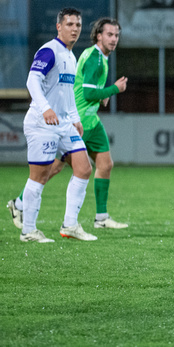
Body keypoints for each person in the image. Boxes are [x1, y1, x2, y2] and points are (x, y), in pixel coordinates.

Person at [8, 18, 129, 230]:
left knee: (105, 164)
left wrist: (104, 94)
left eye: (117, 35)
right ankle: (20, 205)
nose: (114, 39)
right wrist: (113, 89)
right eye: (109, 34)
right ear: (98, 36)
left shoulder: (99, 57)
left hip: (90, 119)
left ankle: (100, 217)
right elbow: (88, 92)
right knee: (53, 168)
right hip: (79, 119)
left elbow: (86, 88)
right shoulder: (94, 57)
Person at [8, 7, 96, 242]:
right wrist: (46, 108)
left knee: (84, 168)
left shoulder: (71, 55)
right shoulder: (50, 51)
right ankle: (28, 231)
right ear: (59, 27)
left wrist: (75, 119)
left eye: (78, 25)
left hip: (65, 123)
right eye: (69, 24)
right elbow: (32, 80)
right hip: (42, 122)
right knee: (39, 175)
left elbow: (68, 93)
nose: (75, 29)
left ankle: (70, 225)